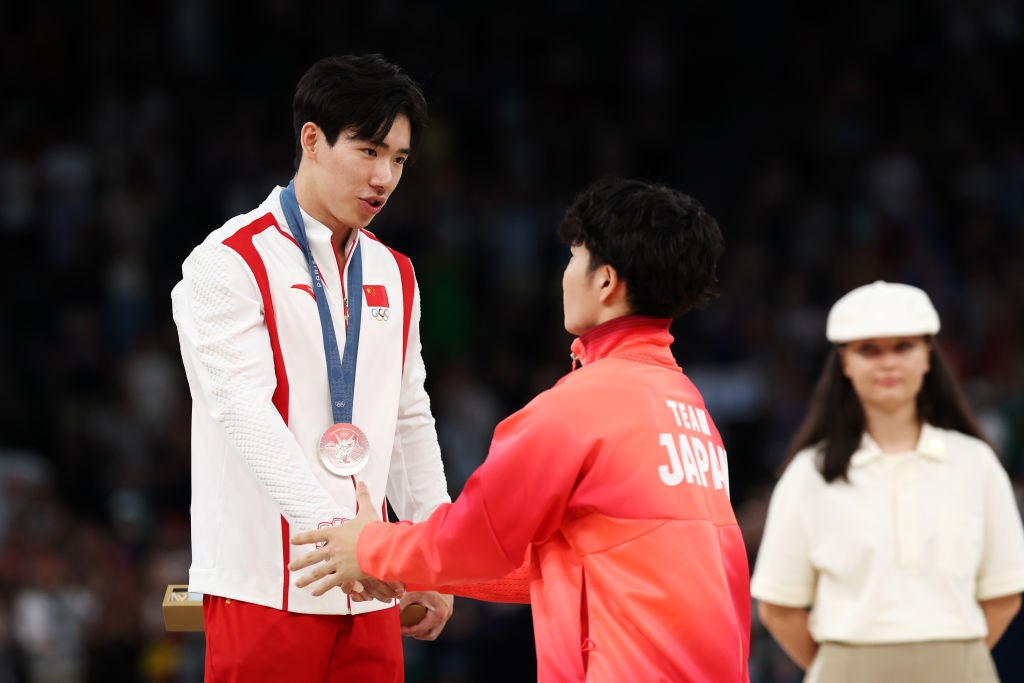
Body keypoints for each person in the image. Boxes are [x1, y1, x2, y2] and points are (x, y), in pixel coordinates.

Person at [289, 176, 752, 682]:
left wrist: (370, 547)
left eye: (575, 257)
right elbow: (570, 563)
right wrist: (404, 566)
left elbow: (474, 538)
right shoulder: (689, 410)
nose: (566, 275)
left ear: (605, 282)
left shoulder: (577, 409)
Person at [170, 54, 453, 682]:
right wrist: (346, 543)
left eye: (399, 160)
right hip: (263, 588)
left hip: (371, 585)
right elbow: (243, 413)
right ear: (312, 140)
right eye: (369, 151)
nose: (384, 177)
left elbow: (410, 418)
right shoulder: (229, 262)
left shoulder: (394, 272)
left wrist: (432, 554)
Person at [750, 281, 1024, 682]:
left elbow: (1004, 593)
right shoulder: (810, 472)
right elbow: (778, 607)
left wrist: (954, 660)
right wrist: (840, 669)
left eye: (903, 347)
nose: (888, 363)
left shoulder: (976, 463)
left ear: (929, 355)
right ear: (844, 362)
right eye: (869, 350)